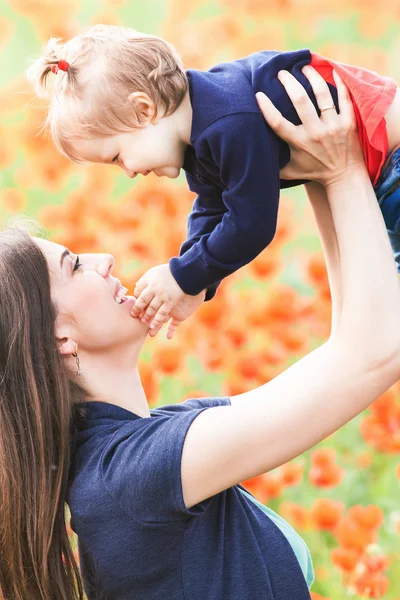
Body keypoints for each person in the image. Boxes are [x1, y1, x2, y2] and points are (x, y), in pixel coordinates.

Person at [2, 69, 400, 600]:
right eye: (75, 266)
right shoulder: (133, 480)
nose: (105, 259)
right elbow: (376, 351)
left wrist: (324, 175)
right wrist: (346, 171)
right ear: (59, 342)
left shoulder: (156, 442)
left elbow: (355, 341)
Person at [26, 24, 400, 339]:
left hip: (393, 166)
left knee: (382, 317)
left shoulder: (229, 123)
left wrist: (183, 276)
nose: (128, 171)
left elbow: (251, 224)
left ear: (144, 109)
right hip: (373, 175)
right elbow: (212, 206)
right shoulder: (198, 132)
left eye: (118, 156)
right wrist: (194, 281)